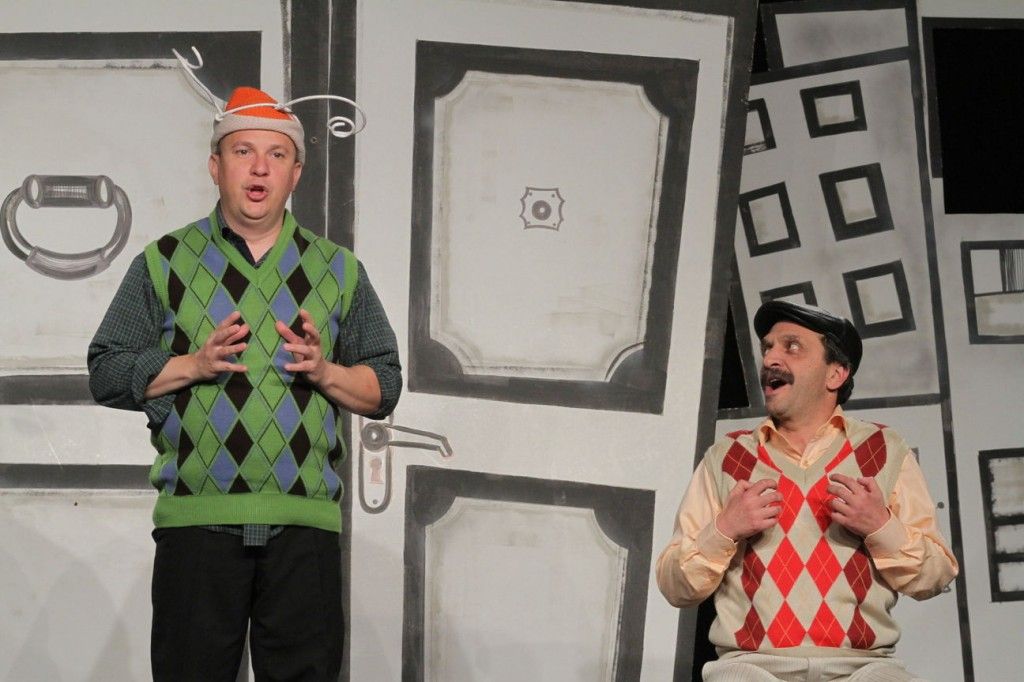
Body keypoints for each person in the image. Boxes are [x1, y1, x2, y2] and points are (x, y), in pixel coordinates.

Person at [88, 85, 401, 681]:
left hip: (304, 528)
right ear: (215, 165)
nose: (260, 168)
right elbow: (105, 370)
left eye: (277, 154)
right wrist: (193, 365)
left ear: (296, 172)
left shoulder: (339, 269)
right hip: (195, 525)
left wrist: (325, 371)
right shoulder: (164, 260)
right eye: (242, 151)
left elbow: (385, 384)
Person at [656, 300, 957, 681]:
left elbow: (936, 575)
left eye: (792, 346)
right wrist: (725, 529)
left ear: (836, 373)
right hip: (752, 668)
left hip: (863, 668)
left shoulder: (883, 449)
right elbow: (674, 585)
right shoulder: (727, 457)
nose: (770, 359)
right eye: (768, 348)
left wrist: (880, 525)